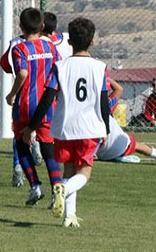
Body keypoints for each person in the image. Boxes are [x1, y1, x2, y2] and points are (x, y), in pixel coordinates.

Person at [21, 17, 111, 228]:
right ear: (92, 41)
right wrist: (105, 128)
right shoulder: (100, 68)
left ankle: (69, 216)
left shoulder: (60, 66)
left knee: (69, 169)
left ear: (70, 42)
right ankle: (63, 189)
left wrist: (32, 126)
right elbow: (104, 101)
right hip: (89, 127)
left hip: (63, 128)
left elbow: (46, 99)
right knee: (84, 173)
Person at [5, 7, 63, 206]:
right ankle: (57, 188)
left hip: (24, 106)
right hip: (46, 107)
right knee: (48, 149)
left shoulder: (19, 48)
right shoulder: (51, 48)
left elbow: (21, 73)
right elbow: (60, 70)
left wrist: (11, 94)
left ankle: (35, 186)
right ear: (43, 26)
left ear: (21, 27)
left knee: (21, 146)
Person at [97, 78, 156, 163]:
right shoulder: (106, 105)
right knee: (137, 145)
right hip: (120, 145)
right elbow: (119, 89)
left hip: (100, 154)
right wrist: (104, 76)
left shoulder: (83, 114)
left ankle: (117, 156)